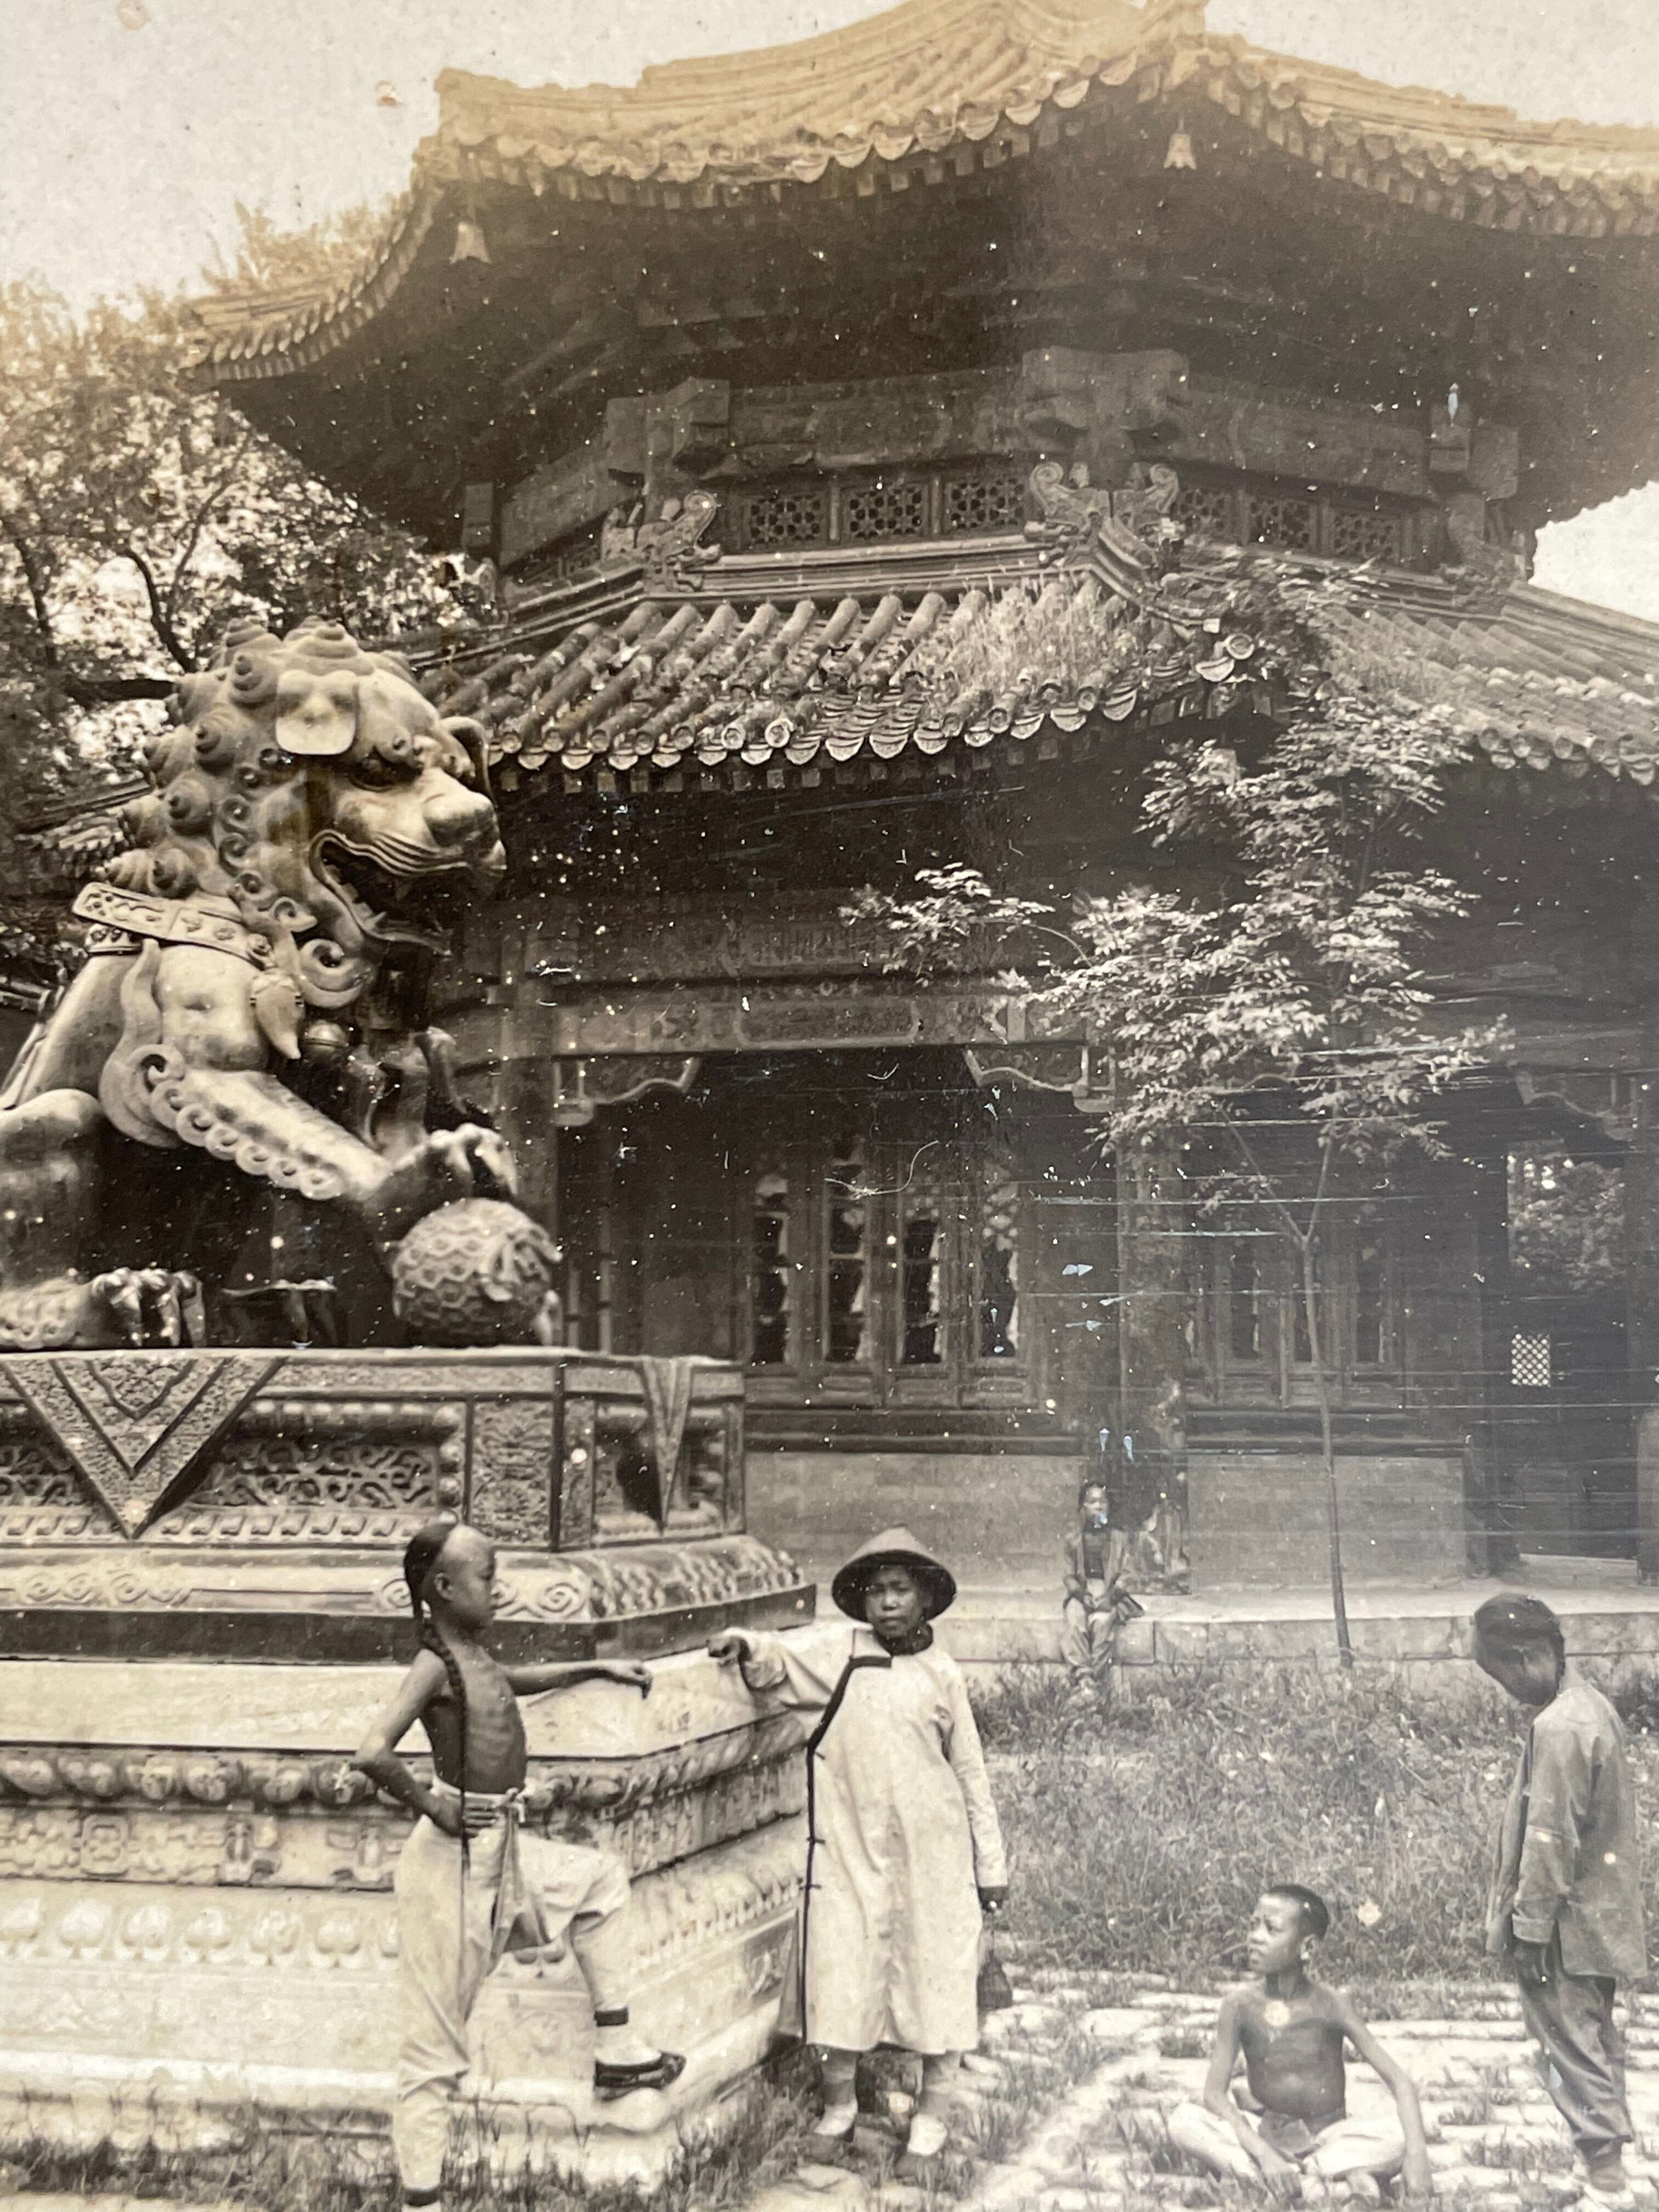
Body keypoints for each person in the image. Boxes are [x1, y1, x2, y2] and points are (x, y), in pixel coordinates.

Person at [353, 1517, 684, 2212]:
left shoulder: (470, 1653)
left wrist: (595, 1666)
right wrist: (434, 1807)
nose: (498, 1589)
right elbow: (372, 1751)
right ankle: (422, 2202)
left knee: (598, 1883)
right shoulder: (433, 1663)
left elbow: (512, 1684)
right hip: (452, 1861)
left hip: (503, 1851)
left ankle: (618, 2053)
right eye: (487, 1576)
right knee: (434, 2048)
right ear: (443, 1588)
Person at [709, 1527, 1007, 2167]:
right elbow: (780, 1664)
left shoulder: (943, 1676)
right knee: (841, 1971)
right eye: (876, 1591)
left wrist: (991, 1866)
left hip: (933, 1857)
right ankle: (841, 2104)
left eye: (900, 1590)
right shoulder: (842, 1656)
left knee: (935, 1977)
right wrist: (746, 1646)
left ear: (925, 1597)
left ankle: (932, 2114)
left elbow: (972, 1776)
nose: (888, 1604)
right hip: (850, 1849)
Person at [1474, 1594, 1646, 2210]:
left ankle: (1606, 2178)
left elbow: (1550, 1838)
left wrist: (1529, 1930)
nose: (1509, 1692)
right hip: (1599, 1917)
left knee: (1569, 2044)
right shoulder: (1589, 1706)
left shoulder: (1560, 1727)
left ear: (1525, 1659)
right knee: (1591, 2039)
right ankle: (1605, 2167)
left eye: (1504, 1678)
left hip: (1566, 1928)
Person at [1169, 1884, 1432, 2202]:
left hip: (1327, 2137)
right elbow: (1213, 2094)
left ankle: (1277, 2182)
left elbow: (1400, 2081)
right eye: (1253, 1926)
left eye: (1272, 1929)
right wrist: (1263, 2152)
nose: (1256, 1937)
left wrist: (1417, 2157)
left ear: (1306, 1947)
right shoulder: (1238, 2006)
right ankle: (1324, 2187)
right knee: (1184, 2120)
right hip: (1265, 2134)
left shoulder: (1331, 2004)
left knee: (1399, 2136)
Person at [1060, 1480, 1143, 1700]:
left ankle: (1092, 1683)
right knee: (1075, 1619)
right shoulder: (1074, 1540)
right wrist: (1081, 1594)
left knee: (1102, 1622)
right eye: (1093, 1502)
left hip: (1109, 1590)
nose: (1099, 1506)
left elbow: (1128, 1573)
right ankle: (1084, 1676)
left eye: (1103, 1502)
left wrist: (1112, 1596)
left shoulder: (1119, 1539)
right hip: (1084, 1589)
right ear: (1083, 1508)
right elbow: (1068, 1576)